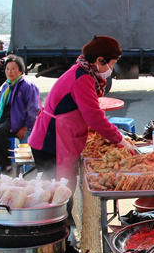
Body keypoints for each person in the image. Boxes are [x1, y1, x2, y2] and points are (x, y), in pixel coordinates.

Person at [28, 35, 135, 188]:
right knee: (57, 192)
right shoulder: (82, 78)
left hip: (55, 135)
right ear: (100, 60)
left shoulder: (83, 71)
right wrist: (120, 139)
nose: (111, 69)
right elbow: (94, 117)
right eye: (112, 64)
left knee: (61, 190)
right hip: (50, 140)